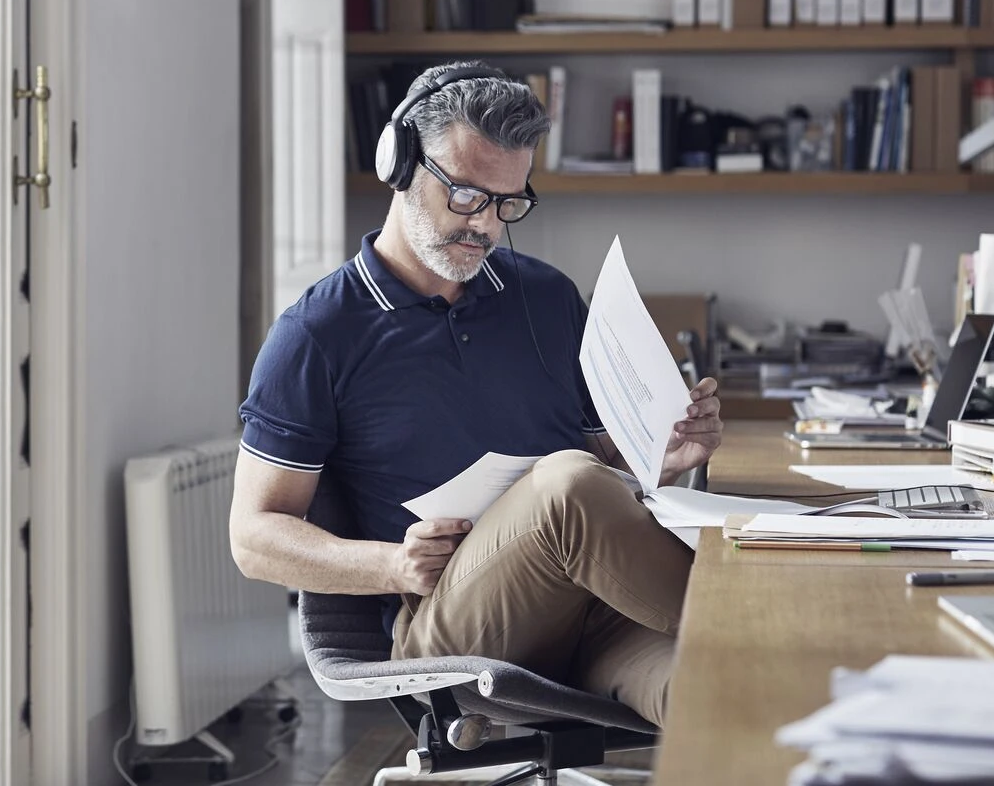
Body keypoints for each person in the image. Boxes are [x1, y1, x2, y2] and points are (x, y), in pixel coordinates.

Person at [227, 63, 723, 725]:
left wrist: (665, 452)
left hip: (597, 614)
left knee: (731, 696)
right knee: (566, 484)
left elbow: (611, 468)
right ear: (401, 163)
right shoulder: (316, 335)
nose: (486, 225)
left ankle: (776, 650)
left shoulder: (546, 298)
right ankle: (760, 618)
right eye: (466, 194)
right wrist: (393, 566)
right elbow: (253, 537)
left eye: (508, 202)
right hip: (457, 636)